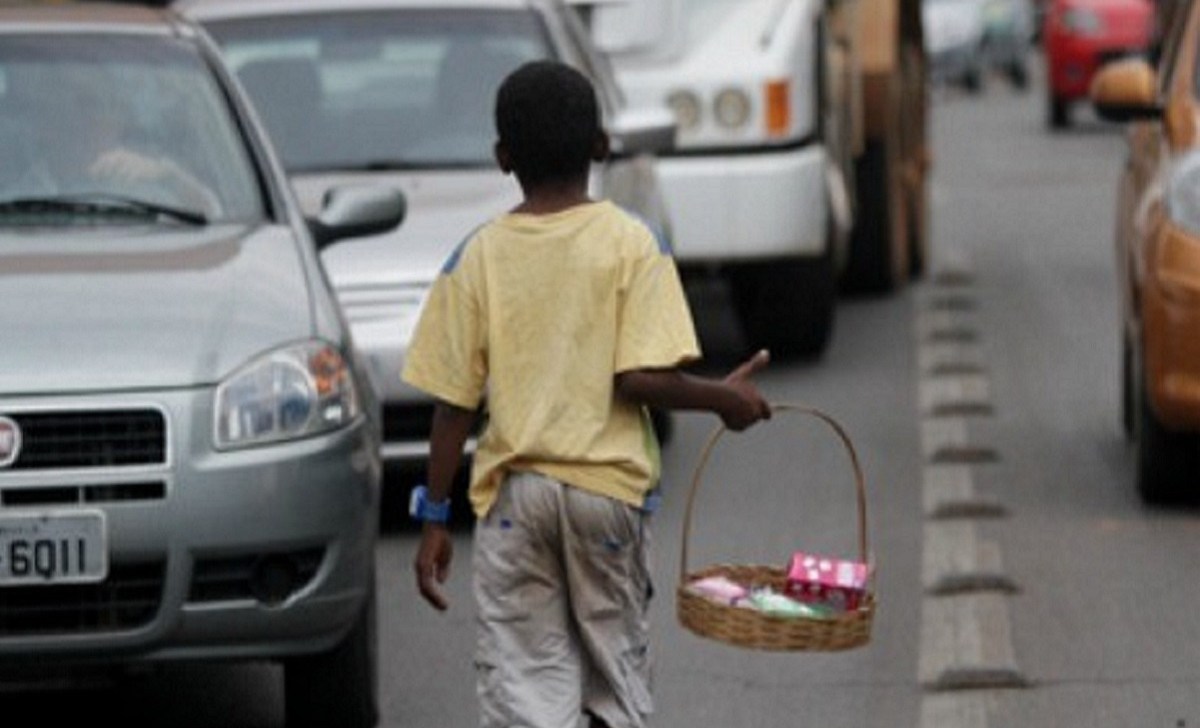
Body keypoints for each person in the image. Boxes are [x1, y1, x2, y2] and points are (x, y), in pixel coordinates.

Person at [402, 60, 773, 728]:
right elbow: (639, 380)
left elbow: (453, 403)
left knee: (524, 685)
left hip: (516, 502)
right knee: (614, 678)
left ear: (501, 157)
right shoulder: (634, 244)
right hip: (607, 498)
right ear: (602, 146)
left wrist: (433, 516)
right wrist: (724, 399)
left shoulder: (476, 256)